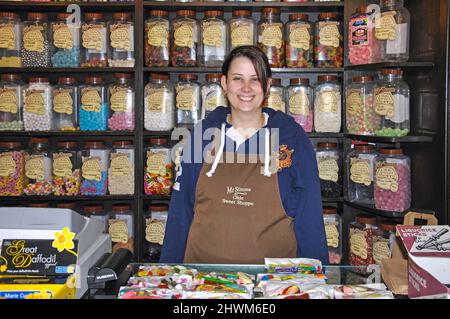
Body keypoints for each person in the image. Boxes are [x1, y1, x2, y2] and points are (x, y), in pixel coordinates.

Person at [160, 45, 328, 264]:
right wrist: (167, 273)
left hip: (274, 283)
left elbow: (309, 217)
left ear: (267, 86)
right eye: (238, 78)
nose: (246, 88)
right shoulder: (201, 137)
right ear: (224, 84)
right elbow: (180, 213)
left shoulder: (292, 139)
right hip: (203, 281)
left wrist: (318, 279)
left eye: (255, 79)